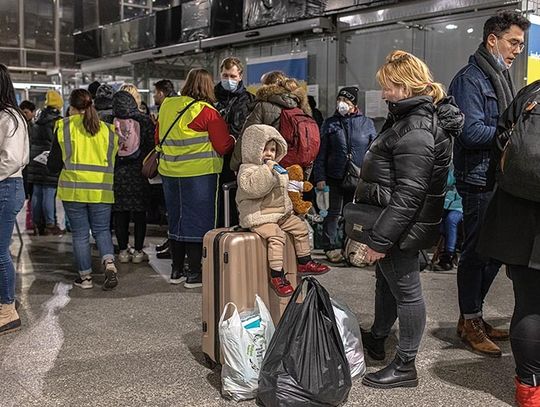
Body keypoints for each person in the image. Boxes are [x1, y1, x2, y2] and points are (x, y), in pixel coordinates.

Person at [357, 50, 463, 389]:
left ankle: (405, 365)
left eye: (388, 87)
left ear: (406, 86)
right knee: (387, 283)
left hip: (401, 225)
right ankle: (378, 337)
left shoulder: (416, 128)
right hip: (396, 222)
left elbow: (409, 194)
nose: (384, 93)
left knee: (407, 291)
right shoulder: (407, 119)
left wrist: (379, 240)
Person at [448, 10, 530, 356]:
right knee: (477, 253)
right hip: (478, 177)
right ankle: (470, 320)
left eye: (522, 45)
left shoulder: (500, 76)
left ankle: (473, 316)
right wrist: (514, 131)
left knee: (496, 250)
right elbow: (469, 132)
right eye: (513, 42)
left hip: (498, 175)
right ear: (491, 39)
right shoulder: (471, 79)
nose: (517, 50)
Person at [477, 80, 540, 406]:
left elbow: (501, 143)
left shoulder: (531, 94)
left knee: (529, 304)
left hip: (518, 217)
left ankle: (529, 390)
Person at [157, 68, 235, 287]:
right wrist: (233, 140)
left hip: (170, 173)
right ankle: (194, 273)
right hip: (199, 175)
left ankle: (176, 270)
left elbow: (158, 135)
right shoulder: (208, 112)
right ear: (208, 86)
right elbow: (222, 145)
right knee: (198, 222)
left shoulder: (167, 105)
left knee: (176, 219)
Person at [236, 124, 330, 296]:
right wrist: (267, 170)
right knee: (276, 236)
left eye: (273, 150)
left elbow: (284, 193)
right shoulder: (247, 170)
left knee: (300, 227)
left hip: (278, 213)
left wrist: (291, 207)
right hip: (259, 215)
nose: (269, 154)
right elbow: (256, 188)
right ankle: (277, 275)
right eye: (265, 149)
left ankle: (304, 261)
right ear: (253, 149)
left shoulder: (278, 169)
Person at [47, 89, 119, 291]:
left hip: (74, 190)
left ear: (71, 107)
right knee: (102, 230)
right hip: (101, 190)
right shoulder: (108, 130)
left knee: (80, 234)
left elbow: (53, 164)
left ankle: (85, 278)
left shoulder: (64, 127)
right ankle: (109, 263)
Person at [313, 86, 376, 263]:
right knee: (333, 213)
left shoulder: (366, 123)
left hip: (358, 177)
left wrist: (371, 176)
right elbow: (321, 153)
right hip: (335, 175)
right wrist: (320, 177)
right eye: (339, 100)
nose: (342, 104)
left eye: (346, 101)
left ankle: (351, 247)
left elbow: (373, 152)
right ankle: (331, 247)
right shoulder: (330, 123)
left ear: (354, 104)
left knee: (354, 215)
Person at [230, 71, 312, 172]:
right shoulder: (301, 109)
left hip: (269, 168)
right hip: (295, 169)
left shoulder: (263, 107)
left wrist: (235, 165)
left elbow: (246, 137)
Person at [0, 64, 29, 335]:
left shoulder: (10, 118)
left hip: (7, 186)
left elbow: (11, 159)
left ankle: (7, 308)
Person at [111, 90, 155, 263]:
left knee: (120, 214)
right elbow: (152, 144)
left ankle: (122, 251)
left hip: (117, 174)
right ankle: (138, 251)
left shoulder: (108, 121)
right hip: (138, 173)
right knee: (139, 215)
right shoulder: (143, 120)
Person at [214, 56, 255, 226]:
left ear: (240, 77)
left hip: (234, 159)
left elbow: (241, 130)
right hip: (214, 157)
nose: (228, 80)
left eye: (232, 76)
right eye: (225, 76)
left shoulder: (247, 100)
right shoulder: (213, 98)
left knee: (234, 201)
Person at [26, 90, 64, 236]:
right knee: (49, 191)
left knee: (37, 191)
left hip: (35, 158)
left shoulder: (38, 118)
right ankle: (50, 224)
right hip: (48, 156)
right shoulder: (57, 121)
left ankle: (37, 223)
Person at [432, 168, 463, 271]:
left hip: (460, 204)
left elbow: (449, 180)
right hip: (444, 203)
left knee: (451, 220)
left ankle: (448, 255)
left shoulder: (455, 162)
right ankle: (450, 251)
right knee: (439, 224)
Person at [19, 100, 36, 231]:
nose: (26, 115)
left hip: (29, 164)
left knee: (30, 194)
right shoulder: (22, 125)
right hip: (25, 164)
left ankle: (29, 220)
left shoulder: (31, 125)